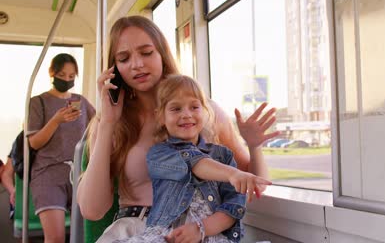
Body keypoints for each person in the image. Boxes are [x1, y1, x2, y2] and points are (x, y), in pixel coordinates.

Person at [77, 15, 279, 243]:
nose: (137, 64)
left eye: (146, 53)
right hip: (137, 230)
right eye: (124, 58)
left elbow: (253, 184)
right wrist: (107, 123)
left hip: (197, 231)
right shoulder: (114, 124)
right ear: (115, 68)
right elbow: (92, 211)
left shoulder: (204, 113)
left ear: (162, 54)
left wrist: (254, 145)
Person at [116, 74, 271, 243]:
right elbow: (194, 163)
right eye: (176, 109)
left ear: (205, 112)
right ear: (160, 117)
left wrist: (254, 147)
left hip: (211, 237)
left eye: (194, 107)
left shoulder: (223, 156)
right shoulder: (159, 154)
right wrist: (232, 174)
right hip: (166, 236)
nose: (186, 114)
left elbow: (234, 206)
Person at [27, 53, 96, 243]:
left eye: (71, 76)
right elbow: (34, 142)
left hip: (79, 173)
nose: (67, 79)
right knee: (56, 238)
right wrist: (56, 120)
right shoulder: (38, 102)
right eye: (62, 74)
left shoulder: (81, 101)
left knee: (84, 235)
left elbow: (99, 126)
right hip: (48, 173)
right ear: (52, 73)